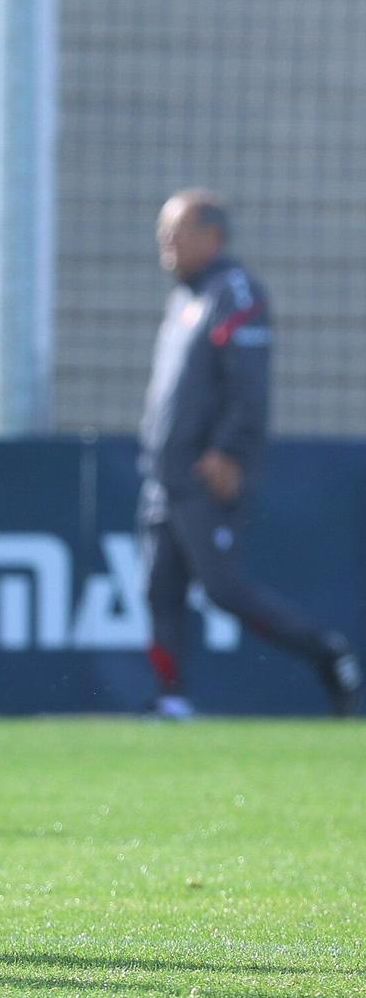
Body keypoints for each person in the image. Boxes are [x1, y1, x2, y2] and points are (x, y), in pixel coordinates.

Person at [139, 189, 360, 718]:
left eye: (178, 230)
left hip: (204, 473)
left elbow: (249, 385)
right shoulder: (184, 298)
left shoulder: (235, 295)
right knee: (158, 590)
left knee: (224, 590)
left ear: (212, 235)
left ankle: (330, 654)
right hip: (163, 476)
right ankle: (171, 700)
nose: (164, 241)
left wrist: (229, 452)